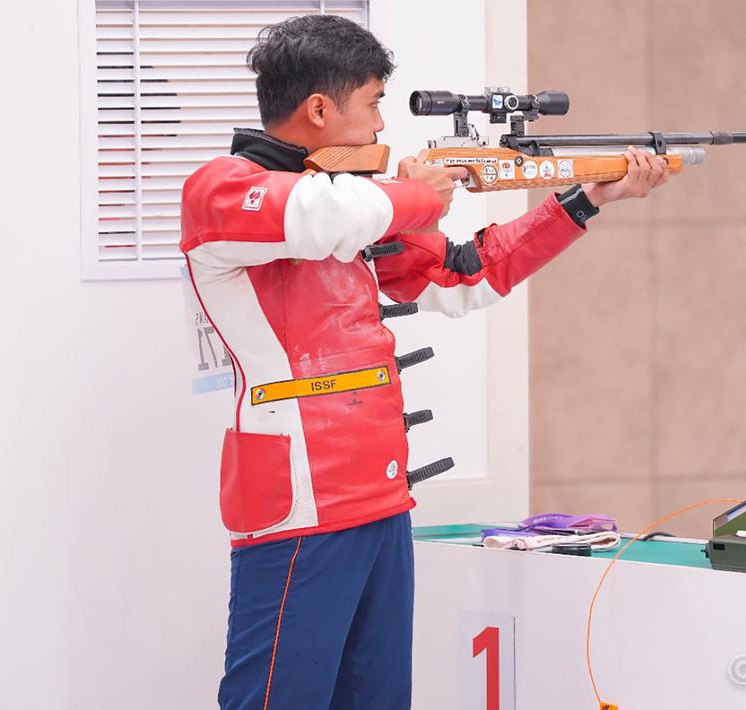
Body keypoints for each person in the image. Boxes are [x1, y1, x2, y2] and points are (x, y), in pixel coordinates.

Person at [179, 14, 670, 710]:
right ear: (320, 109)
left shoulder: (356, 207)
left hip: (379, 496)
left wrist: (584, 198)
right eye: (373, 102)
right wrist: (421, 194)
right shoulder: (225, 188)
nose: (381, 125)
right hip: (300, 501)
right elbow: (315, 218)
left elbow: (467, 276)